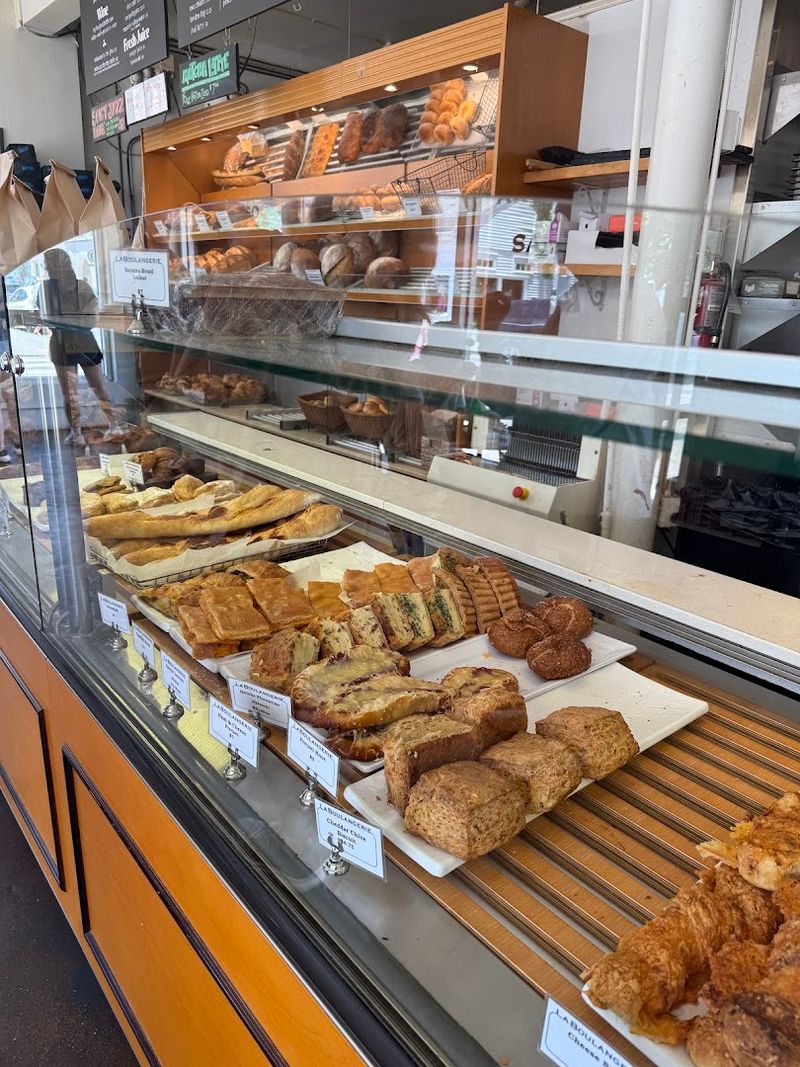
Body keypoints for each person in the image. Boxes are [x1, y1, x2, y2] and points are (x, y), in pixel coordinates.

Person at [38, 248, 116, 446]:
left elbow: (47, 318)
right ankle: (85, 430)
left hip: (72, 340)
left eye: (49, 263)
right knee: (79, 391)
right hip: (72, 340)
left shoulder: (78, 287)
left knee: (85, 389)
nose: (47, 267)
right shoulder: (52, 288)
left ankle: (109, 426)